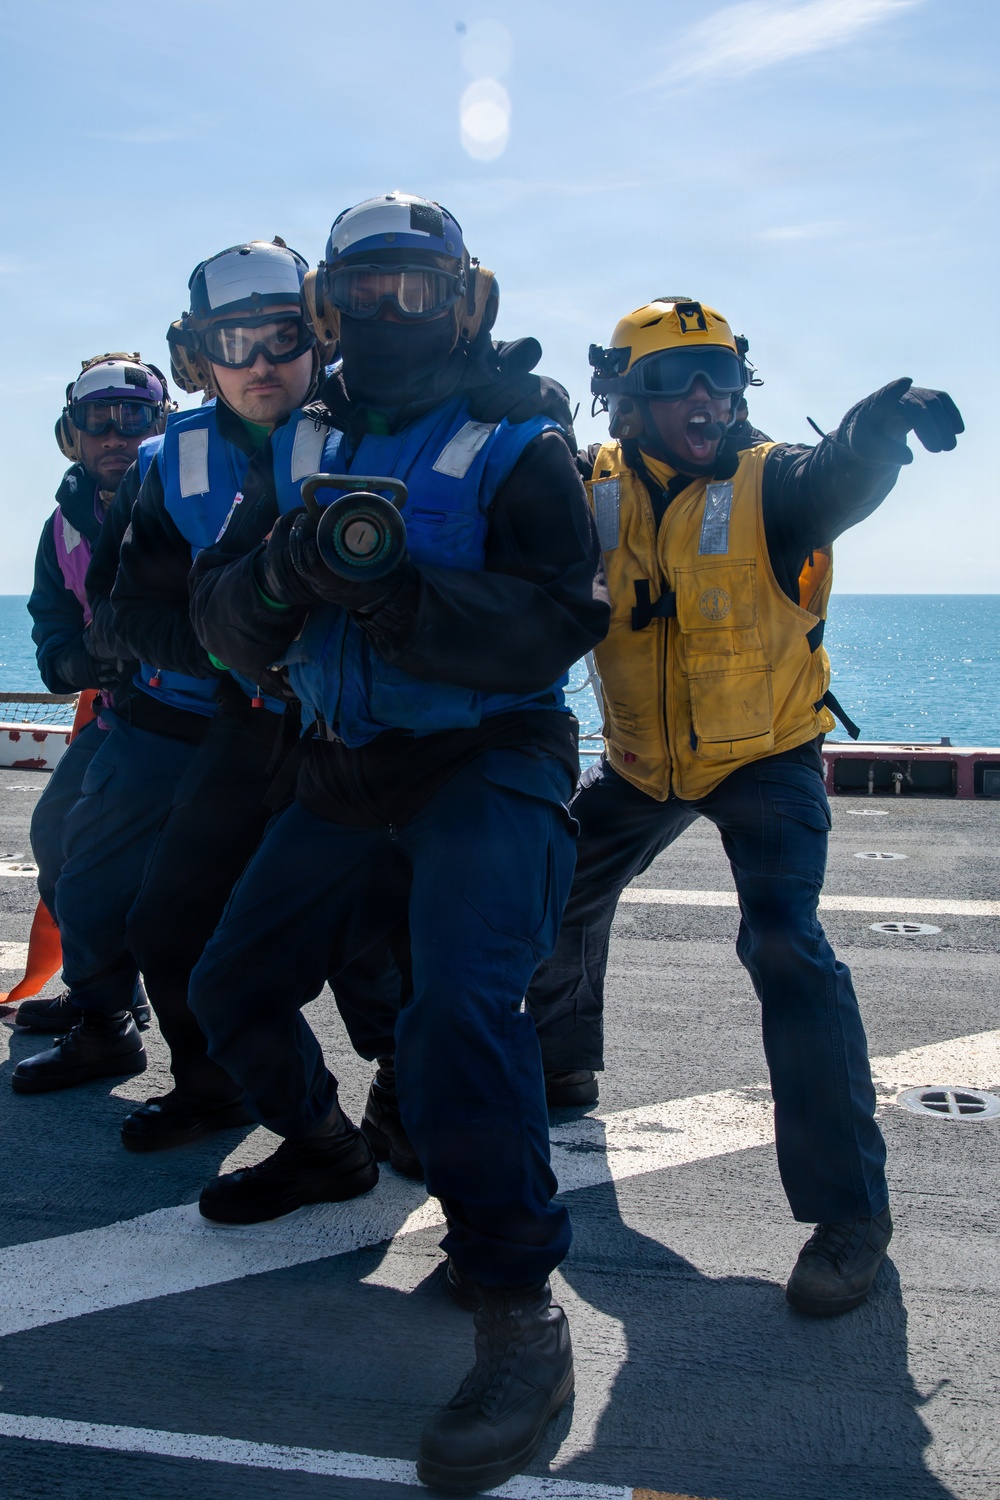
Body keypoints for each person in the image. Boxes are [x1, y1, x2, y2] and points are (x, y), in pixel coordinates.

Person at [186, 191, 609, 1491]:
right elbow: (222, 615)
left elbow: (558, 621)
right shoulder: (301, 440)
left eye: (413, 290)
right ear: (329, 305)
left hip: (486, 759)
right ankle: (324, 1146)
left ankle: (516, 1297)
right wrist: (273, 584)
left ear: (463, 299)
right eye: (361, 291)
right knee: (229, 985)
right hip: (344, 764)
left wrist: (399, 594)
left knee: (458, 1012)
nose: (386, 314)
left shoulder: (517, 441)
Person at [524, 296, 964, 1318]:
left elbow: (838, 478)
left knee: (784, 946)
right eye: (676, 379)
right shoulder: (586, 488)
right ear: (624, 396)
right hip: (639, 763)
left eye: (721, 374)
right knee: (555, 893)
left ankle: (851, 1214)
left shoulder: (773, 484)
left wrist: (878, 425)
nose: (705, 397)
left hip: (765, 756)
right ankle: (562, 1068)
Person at [102, 237, 403, 1152]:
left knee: (374, 941)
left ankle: (405, 1092)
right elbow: (123, 616)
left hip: (362, 730)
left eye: (282, 334)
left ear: (321, 331)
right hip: (251, 719)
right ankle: (219, 1085)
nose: (261, 362)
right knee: (168, 919)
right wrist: (232, 647)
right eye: (233, 342)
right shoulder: (169, 461)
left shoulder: (384, 423)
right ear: (198, 355)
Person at [16, 353, 173, 1034]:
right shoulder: (62, 529)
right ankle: (106, 991)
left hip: (208, 718)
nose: (116, 436)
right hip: (120, 716)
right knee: (56, 836)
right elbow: (52, 637)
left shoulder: (191, 495)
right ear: (70, 434)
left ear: (161, 425)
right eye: (97, 421)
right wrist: (87, 662)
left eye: (133, 419)